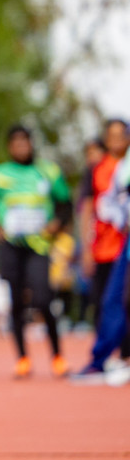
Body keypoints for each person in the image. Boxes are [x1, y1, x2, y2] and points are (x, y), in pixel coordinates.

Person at [0, 126, 72, 378]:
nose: (21, 148)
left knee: (43, 299)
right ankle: (22, 359)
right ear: (9, 147)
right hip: (11, 246)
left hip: (38, 246)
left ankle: (57, 356)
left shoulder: (48, 172)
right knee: (16, 302)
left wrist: (58, 224)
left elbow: (65, 203)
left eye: (25, 143)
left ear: (31, 144)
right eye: (16, 144)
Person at [80, 120, 127, 335]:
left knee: (125, 301)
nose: (116, 140)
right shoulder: (97, 169)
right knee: (102, 302)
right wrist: (86, 249)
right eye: (112, 135)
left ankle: (124, 355)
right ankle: (105, 356)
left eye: (121, 135)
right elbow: (87, 209)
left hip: (124, 248)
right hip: (103, 247)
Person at [73, 137, 106, 330]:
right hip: (94, 246)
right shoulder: (87, 182)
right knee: (96, 296)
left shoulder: (115, 175)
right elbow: (83, 217)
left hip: (114, 245)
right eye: (88, 154)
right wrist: (85, 249)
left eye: (94, 152)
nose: (90, 158)